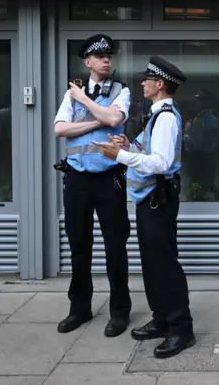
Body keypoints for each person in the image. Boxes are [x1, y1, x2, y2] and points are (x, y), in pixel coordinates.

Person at [92, 56, 195, 359]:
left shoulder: (165, 117)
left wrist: (119, 156)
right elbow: (147, 150)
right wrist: (126, 146)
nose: (142, 83)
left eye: (147, 79)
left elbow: (160, 163)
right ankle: (162, 318)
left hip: (158, 200)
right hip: (149, 199)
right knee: (152, 263)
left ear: (160, 84)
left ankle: (181, 329)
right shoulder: (156, 115)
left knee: (164, 264)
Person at [53, 34, 132, 337]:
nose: (106, 60)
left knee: (115, 247)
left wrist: (85, 102)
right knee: (79, 246)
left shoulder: (119, 91)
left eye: (109, 55)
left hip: (108, 179)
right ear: (88, 61)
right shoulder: (69, 92)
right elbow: (60, 129)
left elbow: (117, 118)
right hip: (76, 179)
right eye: (100, 56)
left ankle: (119, 312)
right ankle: (79, 309)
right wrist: (101, 120)